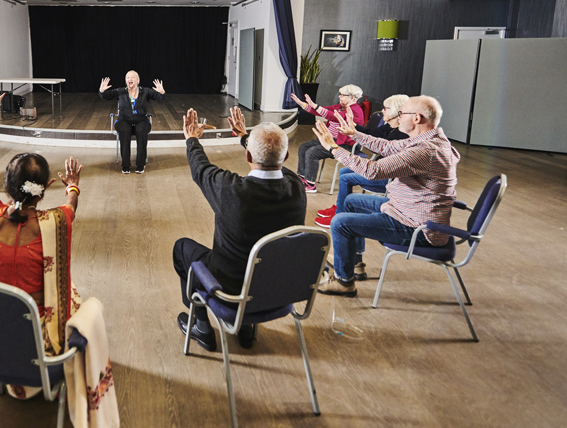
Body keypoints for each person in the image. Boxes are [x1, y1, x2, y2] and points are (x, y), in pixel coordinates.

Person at [173, 108, 306, 351]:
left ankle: (201, 326)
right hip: (278, 290)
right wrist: (245, 136)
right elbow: (275, 163)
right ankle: (245, 329)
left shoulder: (231, 191)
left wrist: (191, 138)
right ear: (286, 157)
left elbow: (200, 169)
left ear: (247, 156)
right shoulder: (297, 189)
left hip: (231, 294)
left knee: (182, 248)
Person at [314, 95, 460, 297]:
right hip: (404, 210)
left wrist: (333, 148)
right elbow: (387, 147)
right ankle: (354, 262)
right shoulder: (428, 140)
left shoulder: (425, 151)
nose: (398, 117)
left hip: (418, 227)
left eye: (402, 114)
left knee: (340, 222)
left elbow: (372, 171)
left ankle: (344, 282)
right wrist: (354, 133)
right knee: (350, 201)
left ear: (416, 118)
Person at [0, 153, 83, 399]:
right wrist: (73, 186)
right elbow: (70, 207)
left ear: (6, 186)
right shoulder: (55, 221)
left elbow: (13, 212)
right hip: (39, 338)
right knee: (83, 302)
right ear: (46, 187)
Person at [314, 94, 410, 226]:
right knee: (344, 172)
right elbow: (371, 134)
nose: (382, 111)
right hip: (379, 167)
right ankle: (340, 207)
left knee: (345, 178)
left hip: (388, 176)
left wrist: (337, 145)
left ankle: (339, 215)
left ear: (396, 112)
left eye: (385, 108)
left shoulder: (403, 135)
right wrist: (353, 126)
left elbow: (380, 149)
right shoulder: (390, 127)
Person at [289, 84, 365, 193]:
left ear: (352, 98)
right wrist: (303, 104)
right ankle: (302, 177)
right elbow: (321, 111)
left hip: (344, 145)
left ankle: (310, 184)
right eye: (340, 94)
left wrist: (315, 106)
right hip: (330, 140)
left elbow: (333, 117)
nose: (340, 97)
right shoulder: (339, 107)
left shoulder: (355, 110)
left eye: (343, 95)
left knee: (312, 152)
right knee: (304, 146)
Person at [99, 70, 165, 173]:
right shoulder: (120, 91)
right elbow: (105, 96)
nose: (130, 79)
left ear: (138, 80)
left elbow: (160, 98)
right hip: (123, 120)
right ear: (126, 81)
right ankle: (125, 166)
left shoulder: (145, 91)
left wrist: (161, 92)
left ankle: (140, 165)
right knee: (125, 130)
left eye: (132, 77)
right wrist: (102, 91)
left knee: (141, 130)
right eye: (128, 78)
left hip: (141, 121)